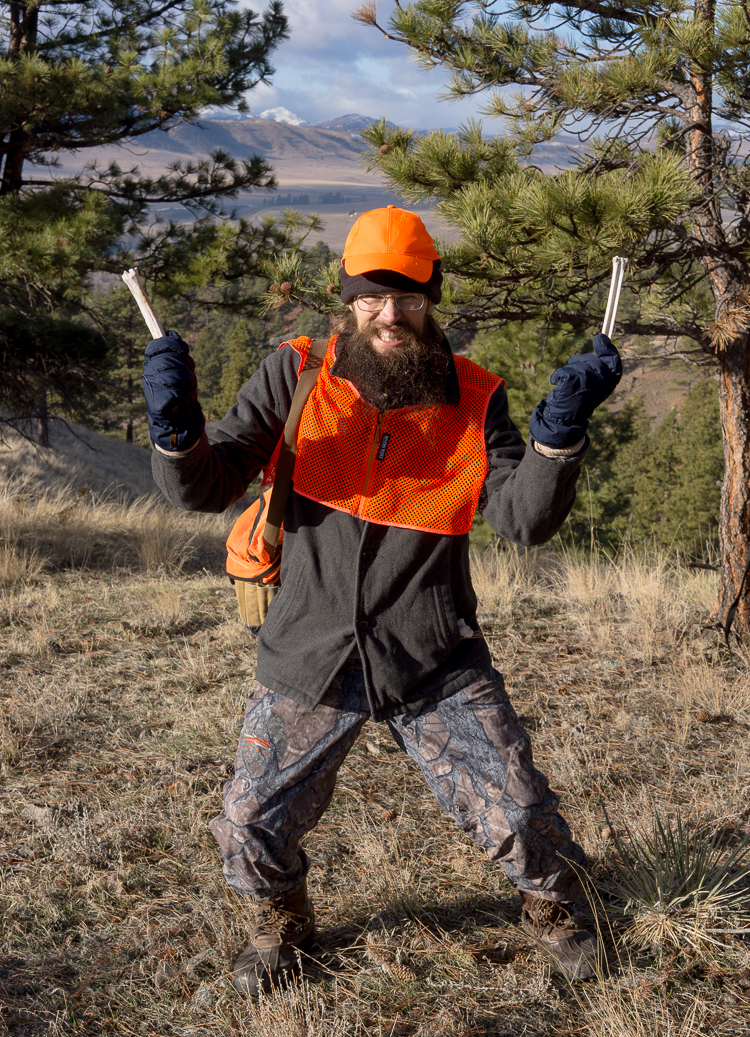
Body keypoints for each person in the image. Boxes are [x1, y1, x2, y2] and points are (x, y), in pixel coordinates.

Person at [142, 205, 622, 994]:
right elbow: (205, 485)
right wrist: (176, 432)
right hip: (310, 648)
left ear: (431, 298)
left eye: (406, 296)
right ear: (348, 297)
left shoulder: (477, 398)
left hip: (433, 655)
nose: (389, 313)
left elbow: (523, 519)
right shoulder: (296, 373)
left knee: (522, 817)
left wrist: (557, 437)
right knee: (248, 824)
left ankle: (557, 908)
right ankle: (282, 917)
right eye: (371, 295)